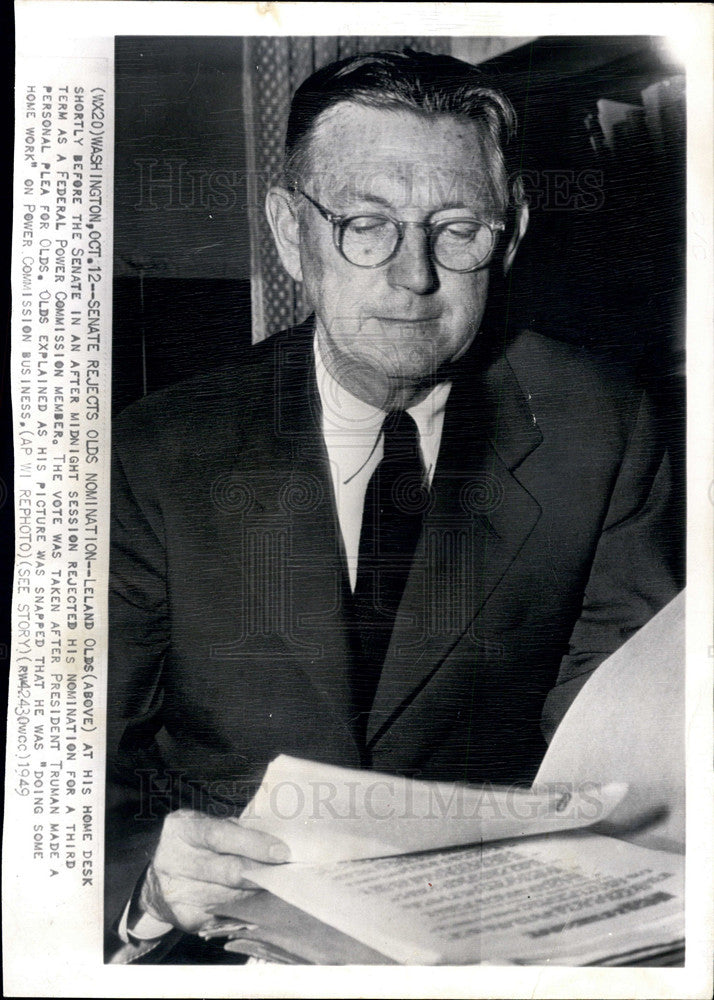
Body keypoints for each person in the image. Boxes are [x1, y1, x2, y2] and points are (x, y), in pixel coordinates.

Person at [105, 49, 680, 963]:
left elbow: (626, 760)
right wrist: (149, 877)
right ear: (291, 233)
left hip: (499, 939)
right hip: (223, 938)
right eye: (364, 226)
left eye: (457, 229)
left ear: (514, 230)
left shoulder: (598, 426)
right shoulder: (156, 453)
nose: (414, 276)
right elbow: (76, 773)